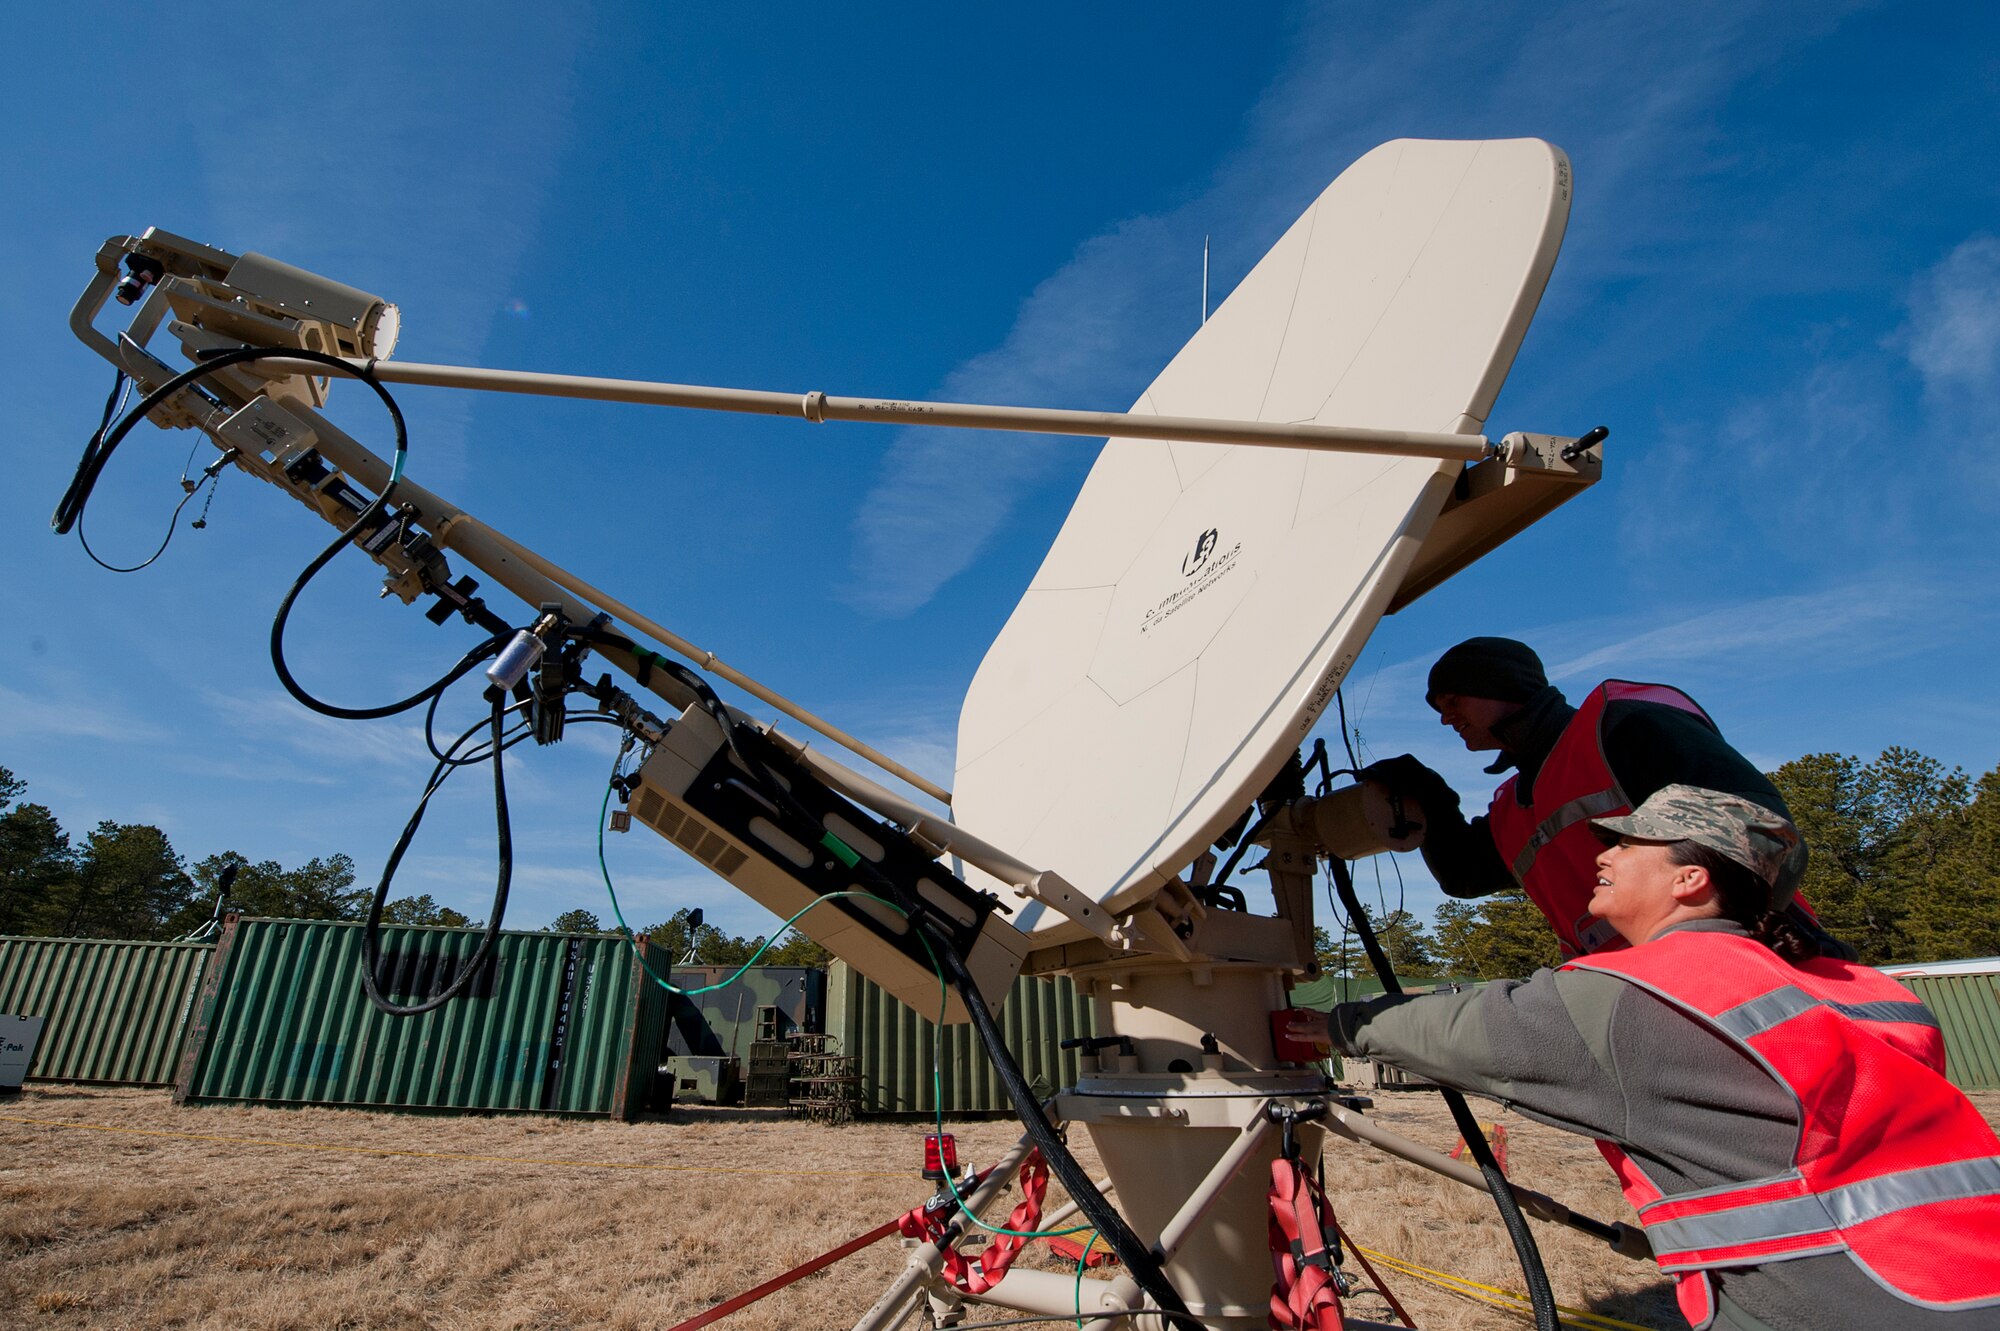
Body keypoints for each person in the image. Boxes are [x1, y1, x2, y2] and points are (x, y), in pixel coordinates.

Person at [1298, 786, 2000, 1331]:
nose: (1600, 856)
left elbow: (1458, 1027)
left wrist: (1324, 1023)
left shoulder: (1644, 996)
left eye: (1629, 845)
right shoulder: (1864, 988)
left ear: (1690, 879)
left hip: (1852, 1299)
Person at [1363, 636, 1842, 959]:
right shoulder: (1515, 806)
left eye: (1453, 702)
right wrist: (1430, 794)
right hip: (1640, 991)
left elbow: (1758, 825)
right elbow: (1465, 874)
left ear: (1498, 686)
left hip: (1756, 964)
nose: (1447, 719)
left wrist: (1719, 951)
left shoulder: (1622, 729)